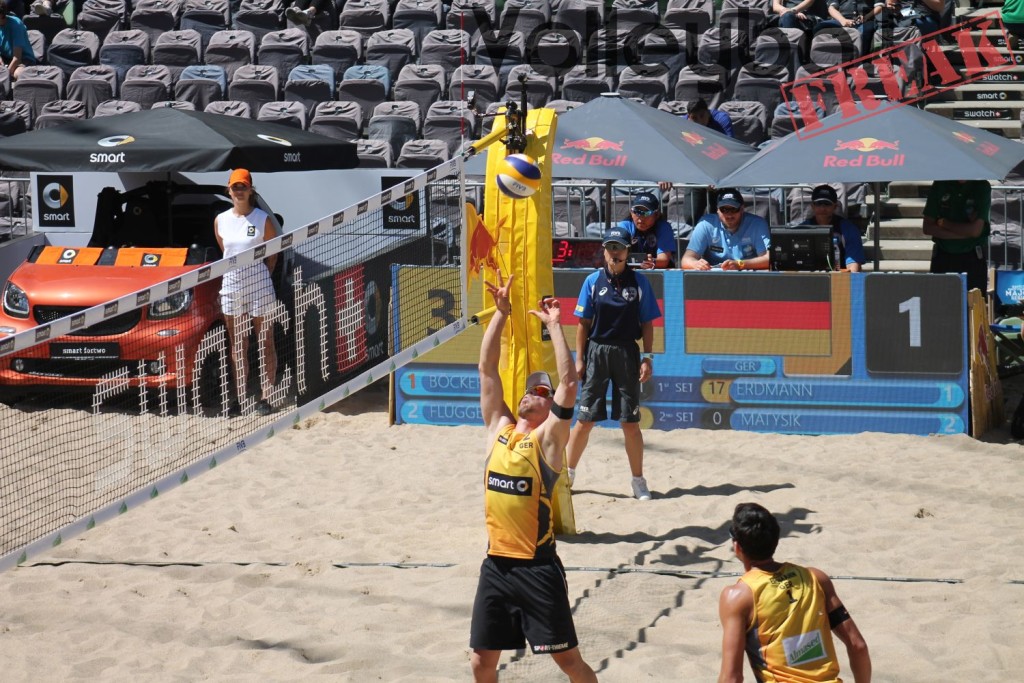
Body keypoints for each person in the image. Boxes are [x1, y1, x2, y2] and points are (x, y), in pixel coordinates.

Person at [472, 272, 597, 683]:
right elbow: (487, 366)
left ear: (548, 408)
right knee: (481, 663)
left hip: (537, 568)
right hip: (496, 566)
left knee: (569, 664)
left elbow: (569, 383)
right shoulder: (499, 430)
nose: (532, 394)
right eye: (529, 390)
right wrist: (502, 314)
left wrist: (554, 327)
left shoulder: (548, 443)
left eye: (541, 394)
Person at [718, 502, 872, 683]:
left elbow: (732, 677)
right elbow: (858, 646)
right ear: (775, 540)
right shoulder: (815, 578)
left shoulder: (738, 596)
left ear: (737, 547)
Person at [565, 226, 662, 500]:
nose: (614, 253)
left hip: (627, 353)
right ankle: (567, 476)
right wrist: (580, 359)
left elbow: (647, 323)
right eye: (610, 247)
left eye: (619, 247)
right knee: (584, 420)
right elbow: (583, 324)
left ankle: (638, 481)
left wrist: (648, 357)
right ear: (604, 251)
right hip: (597, 352)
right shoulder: (593, 281)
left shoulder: (639, 282)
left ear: (627, 250)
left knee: (630, 423)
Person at [214, 168, 279, 417]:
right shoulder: (221, 219)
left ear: (251, 189)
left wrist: (262, 275)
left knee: (265, 340)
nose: (239, 190)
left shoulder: (262, 219)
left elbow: (272, 255)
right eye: (235, 186)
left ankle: (266, 396)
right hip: (232, 284)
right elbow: (225, 251)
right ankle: (239, 398)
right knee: (238, 344)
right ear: (228, 189)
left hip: (258, 282)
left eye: (243, 186)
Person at [922, 179, 991, 294]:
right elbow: (927, 227)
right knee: (939, 303)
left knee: (973, 307)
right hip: (943, 255)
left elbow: (975, 231)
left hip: (972, 255)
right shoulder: (940, 184)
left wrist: (945, 224)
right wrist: (965, 233)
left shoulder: (981, 186)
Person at [682, 188, 771, 271]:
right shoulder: (706, 223)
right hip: (713, 278)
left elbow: (768, 259)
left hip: (747, 277)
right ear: (717, 210)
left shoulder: (757, 224)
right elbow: (686, 259)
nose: (729, 215)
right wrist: (696, 264)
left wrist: (740, 264)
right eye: (724, 209)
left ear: (742, 209)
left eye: (734, 209)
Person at [800, 184, 866, 272]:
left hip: (839, 279)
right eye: (818, 204)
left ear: (835, 207)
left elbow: (853, 266)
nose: (823, 208)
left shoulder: (849, 229)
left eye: (827, 204)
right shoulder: (802, 229)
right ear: (812, 206)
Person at [616, 191, 677, 269]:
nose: (641, 218)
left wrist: (652, 262)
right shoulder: (624, 226)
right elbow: (617, 256)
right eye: (637, 211)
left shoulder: (664, 227)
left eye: (646, 213)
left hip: (659, 275)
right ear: (631, 212)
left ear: (656, 215)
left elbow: (664, 260)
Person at [817, 0, 882, 54]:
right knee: (819, 27)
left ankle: (860, 60)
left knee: (862, 32)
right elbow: (831, 8)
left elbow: (879, 6)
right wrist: (842, 20)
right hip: (842, 19)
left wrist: (866, 17)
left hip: (865, 20)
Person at [0, 0, 37, 82]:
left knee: (18, 73)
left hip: (22, 60)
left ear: (1, 14)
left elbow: (17, 58)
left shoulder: (16, 24)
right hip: (5, 58)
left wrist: (6, 74)